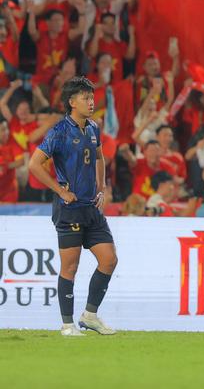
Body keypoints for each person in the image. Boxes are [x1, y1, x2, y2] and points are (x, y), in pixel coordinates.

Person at [26, 76, 117, 336]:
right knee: (70, 266)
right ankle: (67, 325)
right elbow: (34, 165)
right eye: (86, 98)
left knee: (109, 260)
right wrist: (60, 190)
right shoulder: (59, 131)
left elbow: (99, 156)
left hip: (91, 207)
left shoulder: (93, 128)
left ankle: (89, 315)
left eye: (91, 97)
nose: (91, 102)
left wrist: (102, 187)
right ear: (71, 102)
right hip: (70, 209)